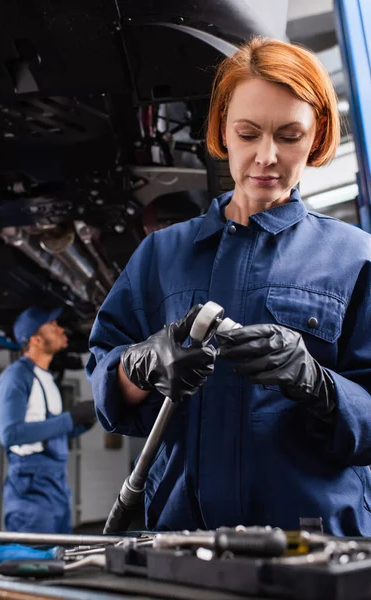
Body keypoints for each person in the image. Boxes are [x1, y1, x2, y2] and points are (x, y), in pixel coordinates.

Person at [87, 36, 371, 536]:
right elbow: (107, 377)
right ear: (222, 129)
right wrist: (140, 364)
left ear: (318, 134)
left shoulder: (356, 258)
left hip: (318, 547)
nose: (266, 156)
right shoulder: (160, 255)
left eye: (289, 136)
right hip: (182, 541)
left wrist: (320, 386)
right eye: (247, 133)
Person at [0, 306, 96, 533]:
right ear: (36, 340)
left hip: (56, 482)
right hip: (31, 485)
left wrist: (82, 424)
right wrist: (70, 419)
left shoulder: (47, 379)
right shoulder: (17, 375)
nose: (61, 329)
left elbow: (51, 431)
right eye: (52, 325)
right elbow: (10, 434)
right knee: (33, 561)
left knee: (57, 555)